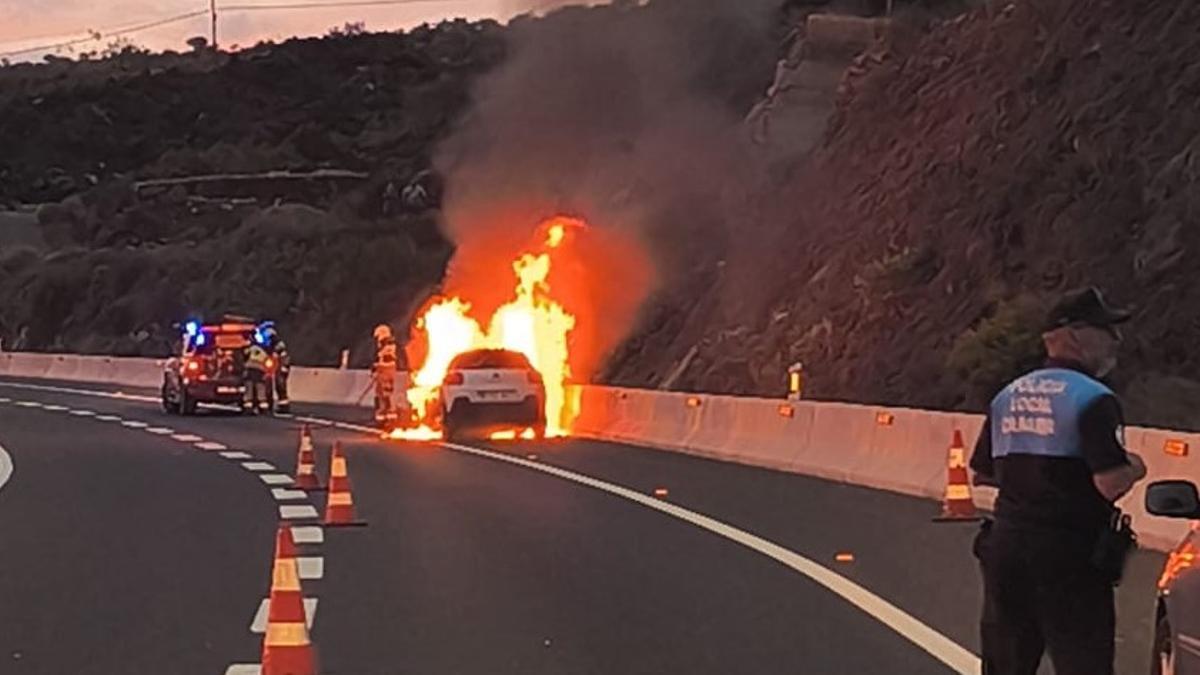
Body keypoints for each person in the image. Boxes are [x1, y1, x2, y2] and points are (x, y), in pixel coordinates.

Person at [969, 287, 1148, 675]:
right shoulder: (1093, 398)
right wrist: (1135, 466)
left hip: (1006, 548)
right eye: (1107, 330)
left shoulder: (1008, 395)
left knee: (1007, 665)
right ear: (1075, 336)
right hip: (1069, 555)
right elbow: (1110, 483)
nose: (1115, 340)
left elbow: (982, 474)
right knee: (1083, 662)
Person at [372, 324, 399, 429]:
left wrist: (377, 367)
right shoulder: (389, 345)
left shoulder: (387, 346)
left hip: (385, 371)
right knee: (382, 394)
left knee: (385, 394)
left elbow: (386, 359)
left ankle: (388, 418)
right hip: (386, 371)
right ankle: (383, 418)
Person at [261, 323, 291, 413]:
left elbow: (284, 357)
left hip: (281, 367)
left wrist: (284, 367)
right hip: (274, 367)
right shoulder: (269, 346)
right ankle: (272, 405)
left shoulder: (279, 345)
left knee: (280, 385)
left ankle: (283, 406)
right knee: (271, 385)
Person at [243, 341, 273, 415]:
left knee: (249, 387)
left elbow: (245, 354)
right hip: (260, 370)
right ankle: (264, 408)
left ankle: (248, 408)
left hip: (250, 369)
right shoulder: (264, 352)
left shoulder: (251, 348)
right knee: (260, 388)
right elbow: (267, 362)